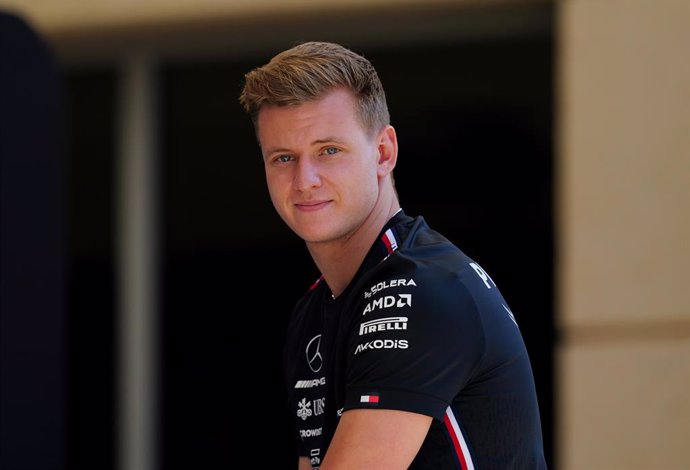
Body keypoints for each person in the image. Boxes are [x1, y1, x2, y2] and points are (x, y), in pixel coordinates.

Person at [239, 41, 547, 470]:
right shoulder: (315, 308)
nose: (304, 180)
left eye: (329, 150)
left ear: (384, 152)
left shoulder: (420, 290)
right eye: (283, 158)